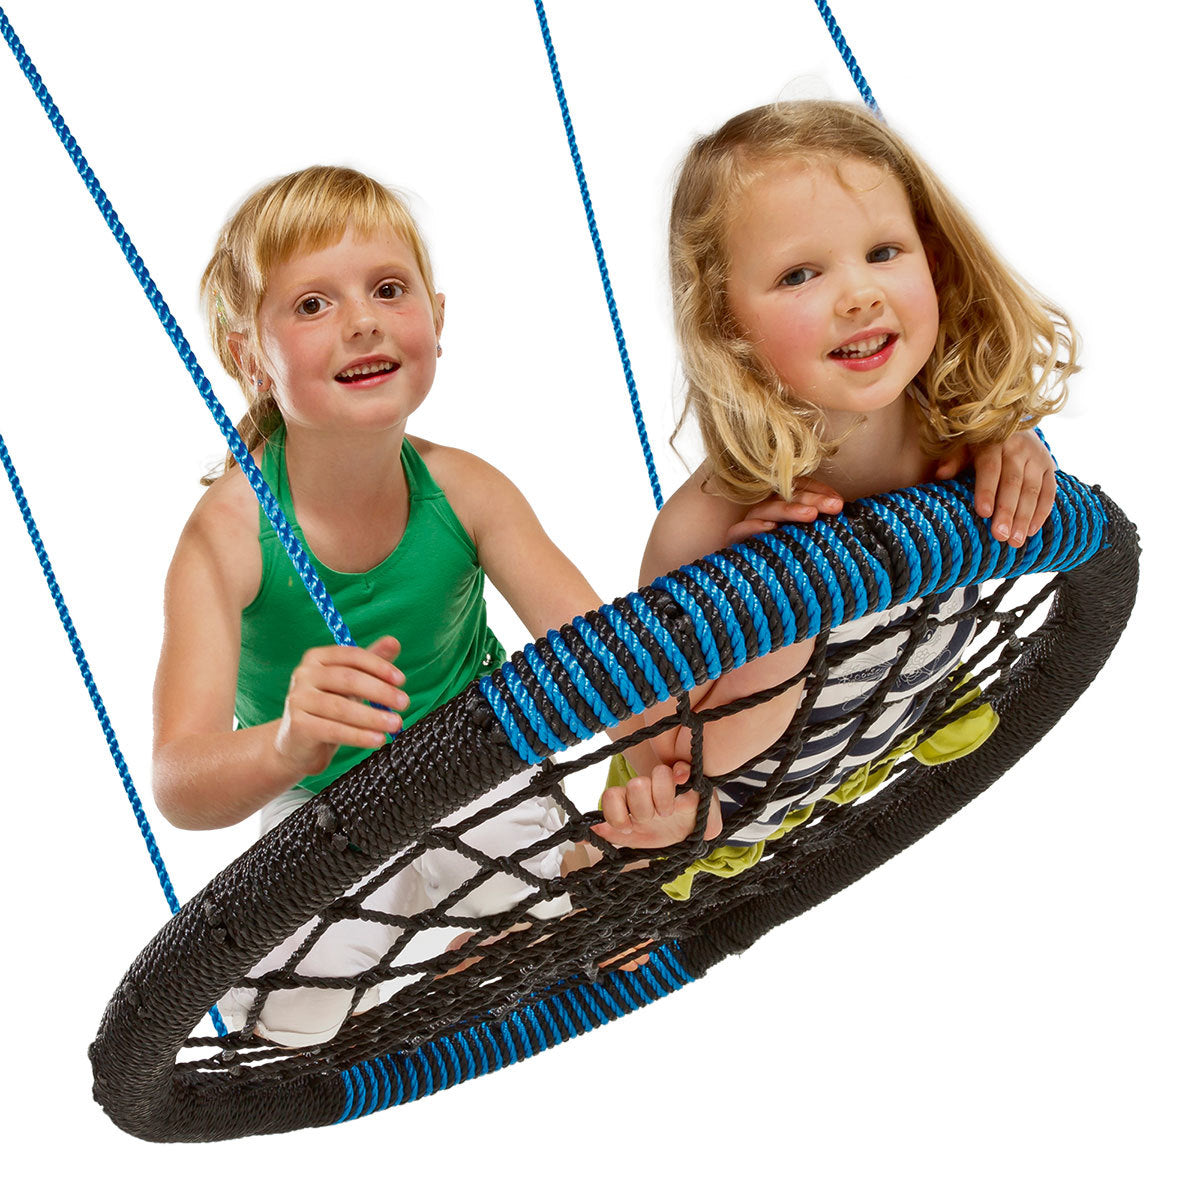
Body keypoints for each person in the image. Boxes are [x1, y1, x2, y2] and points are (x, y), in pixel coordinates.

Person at [151, 166, 603, 1045]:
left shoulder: (466, 490)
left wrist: (655, 776)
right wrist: (287, 742)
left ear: (438, 316)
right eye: (312, 304)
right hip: (320, 804)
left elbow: (607, 654)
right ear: (248, 357)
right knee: (287, 1015)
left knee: (538, 887)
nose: (361, 321)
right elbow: (180, 782)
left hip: (473, 762)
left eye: (389, 290)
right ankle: (448, 946)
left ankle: (531, 897)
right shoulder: (227, 536)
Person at [593, 100, 1074, 877]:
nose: (859, 295)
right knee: (578, 903)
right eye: (800, 274)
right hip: (697, 826)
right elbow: (660, 744)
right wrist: (770, 606)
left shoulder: (961, 444)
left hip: (848, 765)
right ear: (726, 324)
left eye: (883, 252)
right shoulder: (703, 525)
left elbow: (1019, 479)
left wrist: (1013, 444)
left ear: (933, 260)